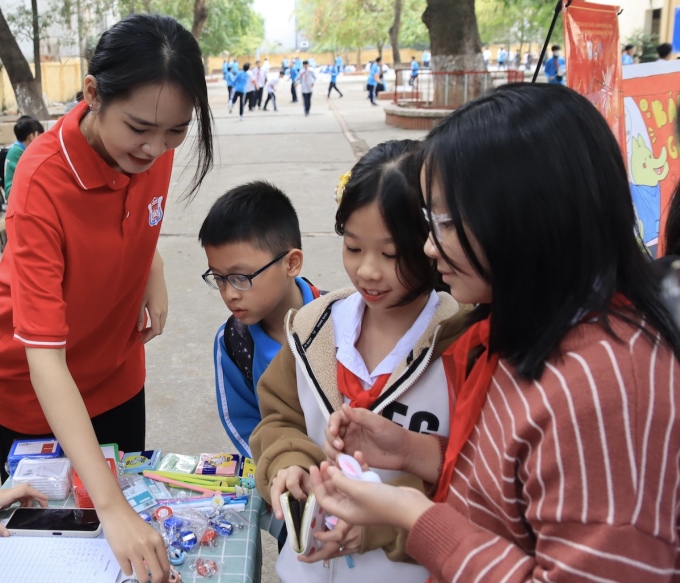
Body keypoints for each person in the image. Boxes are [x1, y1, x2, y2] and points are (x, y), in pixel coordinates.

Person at [310, 83, 680, 582]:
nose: (429, 248)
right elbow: (517, 491)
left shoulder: (605, 386)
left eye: (444, 222)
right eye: (429, 222)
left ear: (523, 216)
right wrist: (411, 451)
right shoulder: (526, 327)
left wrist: (414, 516)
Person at [0, 13, 213, 583]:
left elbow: (135, 211)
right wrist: (113, 507)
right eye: (140, 127)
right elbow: (45, 358)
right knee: (56, 550)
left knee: (118, 558)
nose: (156, 148)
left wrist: (153, 267)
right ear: (92, 92)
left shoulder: (151, 143)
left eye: (175, 132)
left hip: (117, 376)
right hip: (33, 393)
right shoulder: (40, 181)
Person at [251, 139, 466, 583]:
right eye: (353, 247)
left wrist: (383, 522)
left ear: (431, 244)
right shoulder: (314, 329)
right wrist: (288, 463)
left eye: (390, 254)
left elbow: (476, 480)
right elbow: (278, 420)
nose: (368, 270)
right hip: (306, 570)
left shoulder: (461, 343)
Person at [198, 181, 322, 460]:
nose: (229, 294)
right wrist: (278, 467)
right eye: (219, 278)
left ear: (291, 263)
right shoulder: (233, 343)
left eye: (241, 278)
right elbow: (244, 424)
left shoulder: (339, 320)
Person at [3, 115, 44, 201]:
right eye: (39, 136)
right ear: (31, 136)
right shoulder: (19, 152)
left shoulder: (19, 148)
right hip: (13, 193)